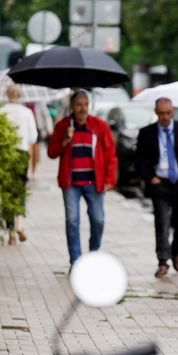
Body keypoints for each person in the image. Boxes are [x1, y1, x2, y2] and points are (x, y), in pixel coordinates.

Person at [47, 90, 117, 269]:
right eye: (78, 104)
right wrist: (65, 140)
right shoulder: (64, 126)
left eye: (85, 104)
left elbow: (110, 154)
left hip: (94, 183)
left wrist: (110, 178)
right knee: (72, 221)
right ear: (72, 106)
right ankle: (76, 262)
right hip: (71, 184)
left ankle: (93, 255)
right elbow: (51, 152)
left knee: (98, 219)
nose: (82, 108)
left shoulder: (99, 126)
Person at [136, 98, 178, 277]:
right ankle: (163, 261)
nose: (165, 116)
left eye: (168, 113)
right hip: (161, 184)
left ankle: (175, 252)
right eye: (162, 113)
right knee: (162, 224)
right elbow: (140, 159)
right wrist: (150, 178)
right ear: (156, 112)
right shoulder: (147, 133)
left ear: (172, 112)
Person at [0, 85, 38, 245]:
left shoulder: (1, 112)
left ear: (7, 94)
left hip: (6, 154)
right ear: (20, 95)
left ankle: (11, 232)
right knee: (20, 190)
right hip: (21, 154)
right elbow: (33, 137)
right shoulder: (27, 112)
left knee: (7, 192)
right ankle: (21, 225)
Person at [27, 101, 54, 181]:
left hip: (37, 129)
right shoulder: (24, 102)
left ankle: (34, 171)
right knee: (29, 151)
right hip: (27, 129)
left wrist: (49, 128)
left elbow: (47, 116)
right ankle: (28, 170)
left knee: (35, 152)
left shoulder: (40, 103)